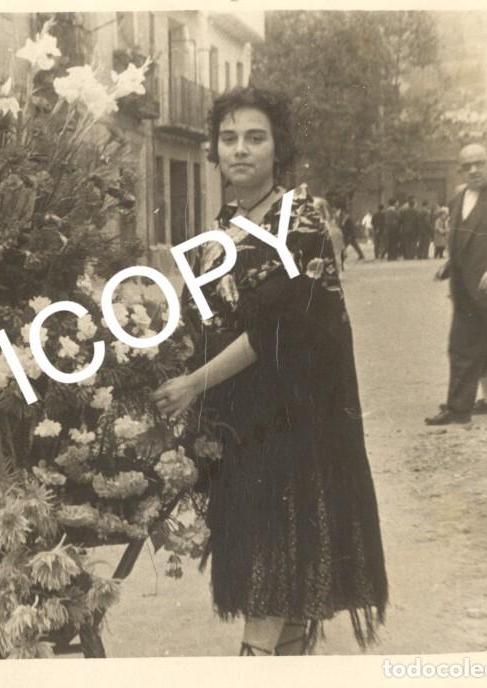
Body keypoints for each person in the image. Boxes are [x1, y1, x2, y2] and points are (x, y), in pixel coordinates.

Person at [151, 86, 388, 656]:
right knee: (276, 586)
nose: (240, 150)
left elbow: (277, 328)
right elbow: (197, 319)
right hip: (241, 424)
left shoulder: (300, 216)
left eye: (255, 138)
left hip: (294, 421)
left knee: (270, 569)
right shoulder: (220, 230)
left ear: (278, 147)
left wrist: (192, 384)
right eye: (229, 139)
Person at [426, 144, 487, 425]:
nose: (474, 170)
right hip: (466, 292)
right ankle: (458, 409)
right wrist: (447, 267)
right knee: (461, 350)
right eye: (467, 166)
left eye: (478, 163)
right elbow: (461, 241)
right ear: (460, 170)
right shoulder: (457, 199)